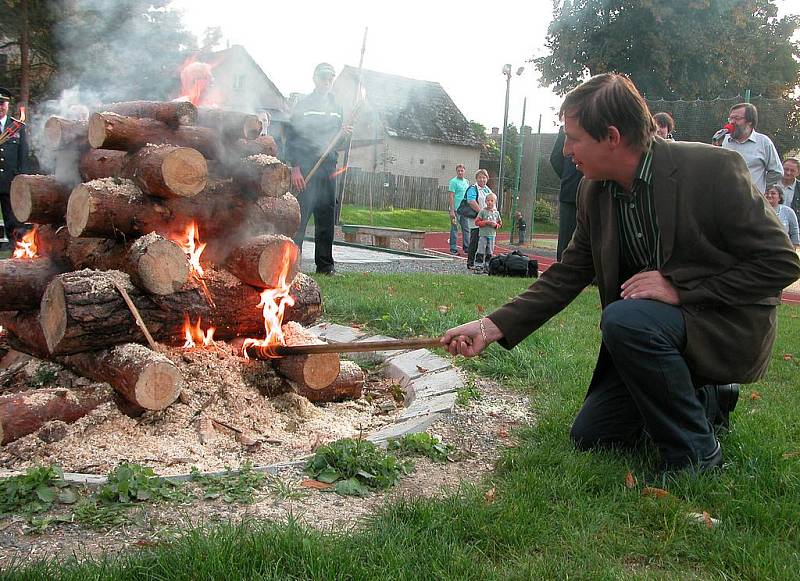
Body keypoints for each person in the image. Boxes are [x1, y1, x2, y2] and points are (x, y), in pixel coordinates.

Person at [442, 73, 800, 473]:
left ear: (611, 136)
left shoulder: (713, 168)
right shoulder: (593, 191)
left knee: (625, 318)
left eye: (575, 137)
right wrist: (489, 327)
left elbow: (781, 263)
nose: (567, 149)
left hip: (721, 324)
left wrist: (680, 289)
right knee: (593, 436)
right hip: (650, 330)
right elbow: (569, 272)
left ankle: (698, 453)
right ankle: (707, 398)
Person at [286, 63, 351, 276]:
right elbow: (292, 137)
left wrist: (344, 134)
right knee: (300, 217)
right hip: (306, 168)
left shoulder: (336, 107)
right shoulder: (304, 104)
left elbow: (337, 143)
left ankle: (325, 266)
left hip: (328, 168)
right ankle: (292, 264)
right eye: (324, 77)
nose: (327, 81)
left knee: (326, 217)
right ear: (315, 78)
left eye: (330, 78)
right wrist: (295, 168)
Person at [721, 103, 783, 193]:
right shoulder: (723, 141)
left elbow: (777, 172)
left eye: (737, 119)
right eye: (731, 118)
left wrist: (758, 188)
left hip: (751, 202)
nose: (732, 122)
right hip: (725, 198)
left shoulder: (763, 142)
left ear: (750, 121)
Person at [0, 87, 28, 248]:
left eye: (3, 103)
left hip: (10, 182)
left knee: (12, 221)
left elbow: (23, 156)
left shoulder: (17, 127)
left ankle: (15, 254)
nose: (0, 107)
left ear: (8, 105)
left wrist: (22, 181)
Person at [550, 125, 583, 260]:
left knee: (566, 237)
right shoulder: (599, 121)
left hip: (571, 188)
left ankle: (561, 272)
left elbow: (555, 158)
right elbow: (556, 158)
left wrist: (566, 176)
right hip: (574, 190)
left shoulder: (567, 127)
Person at [464, 169, 492, 270]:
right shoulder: (473, 188)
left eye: (484, 177)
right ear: (476, 178)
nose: (482, 179)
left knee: (486, 241)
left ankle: (484, 263)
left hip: (487, 220)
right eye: (480, 177)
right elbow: (471, 201)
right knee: (475, 240)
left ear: (487, 178)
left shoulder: (488, 190)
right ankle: (470, 262)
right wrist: (481, 213)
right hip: (476, 219)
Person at [473, 193, 502, 273]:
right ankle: (478, 265)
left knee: (490, 251)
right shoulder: (482, 211)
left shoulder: (496, 213)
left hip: (492, 235)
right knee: (481, 250)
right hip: (483, 235)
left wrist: (496, 225)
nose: (490, 202)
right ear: (485, 201)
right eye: (488, 200)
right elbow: (477, 222)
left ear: (495, 202)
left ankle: (487, 265)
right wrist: (486, 222)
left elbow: (500, 223)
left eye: (492, 201)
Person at [448, 164, 471, 255]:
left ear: (464, 171)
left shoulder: (466, 182)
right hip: (456, 209)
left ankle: (467, 247)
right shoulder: (453, 182)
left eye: (462, 170)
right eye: (459, 171)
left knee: (466, 228)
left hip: (464, 210)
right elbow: (451, 196)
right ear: (456, 171)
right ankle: (453, 248)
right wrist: (452, 210)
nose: (460, 172)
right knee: (454, 228)